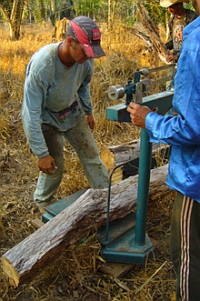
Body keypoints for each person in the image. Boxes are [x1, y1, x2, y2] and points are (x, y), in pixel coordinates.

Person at [127, 0, 200, 299]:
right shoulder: (187, 34)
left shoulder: (196, 40)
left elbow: (191, 128)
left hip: (195, 181)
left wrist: (150, 120)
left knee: (187, 257)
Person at [22, 16, 109, 209]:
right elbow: (30, 114)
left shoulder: (85, 60)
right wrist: (41, 153)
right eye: (85, 51)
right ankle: (43, 203)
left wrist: (88, 111)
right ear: (70, 42)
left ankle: (107, 199)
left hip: (71, 111)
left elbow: (83, 86)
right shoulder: (43, 66)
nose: (89, 57)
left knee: (91, 155)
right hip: (47, 118)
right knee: (55, 165)